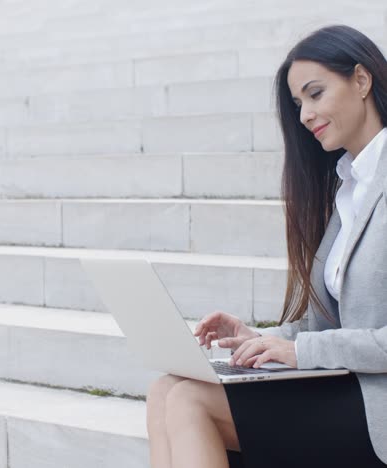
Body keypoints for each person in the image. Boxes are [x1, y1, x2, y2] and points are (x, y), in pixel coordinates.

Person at [146, 24, 387, 468]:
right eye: (298, 104)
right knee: (167, 388)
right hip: (345, 387)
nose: (304, 116)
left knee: (189, 401)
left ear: (361, 79)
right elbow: (325, 326)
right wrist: (260, 338)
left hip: (378, 409)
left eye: (315, 94)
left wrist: (300, 352)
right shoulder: (349, 188)